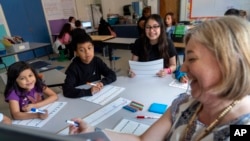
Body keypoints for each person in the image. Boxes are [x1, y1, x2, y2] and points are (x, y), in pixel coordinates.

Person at [68, 16, 250, 140]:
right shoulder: (184, 104)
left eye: (192, 59)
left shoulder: (242, 127)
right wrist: (93, 132)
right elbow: (142, 139)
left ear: (228, 64)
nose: (183, 67)